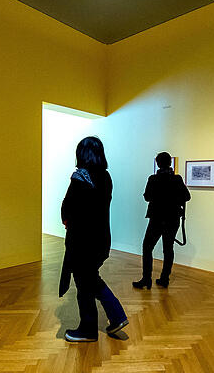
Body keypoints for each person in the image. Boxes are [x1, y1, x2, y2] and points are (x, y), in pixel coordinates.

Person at [59, 136, 128, 342]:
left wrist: (66, 218)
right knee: (90, 279)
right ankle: (117, 316)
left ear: (81, 154)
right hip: (100, 240)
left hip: (83, 241)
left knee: (84, 284)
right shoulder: (106, 177)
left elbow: (69, 208)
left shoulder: (80, 178)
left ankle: (88, 330)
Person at [133, 152, 191, 289]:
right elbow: (187, 197)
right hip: (173, 218)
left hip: (157, 218)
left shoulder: (153, 179)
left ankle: (146, 279)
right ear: (170, 163)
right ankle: (164, 279)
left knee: (147, 247)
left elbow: (147, 197)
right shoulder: (177, 179)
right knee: (168, 249)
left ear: (158, 163)